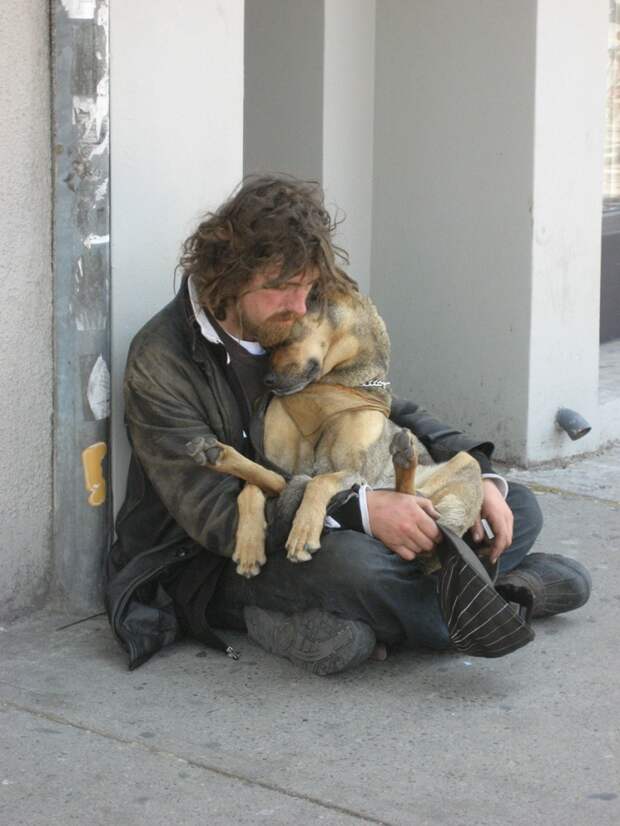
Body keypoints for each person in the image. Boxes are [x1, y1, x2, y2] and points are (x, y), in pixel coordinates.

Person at [104, 175, 591, 674]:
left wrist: (476, 470)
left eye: (310, 287)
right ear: (227, 275)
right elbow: (217, 518)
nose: (300, 306)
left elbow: (375, 396)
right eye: (282, 288)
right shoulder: (159, 362)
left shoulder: (292, 315)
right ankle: (509, 597)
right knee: (359, 568)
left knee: (514, 506)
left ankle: (386, 618)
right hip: (215, 558)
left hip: (327, 506)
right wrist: (361, 510)